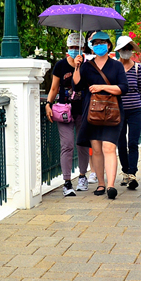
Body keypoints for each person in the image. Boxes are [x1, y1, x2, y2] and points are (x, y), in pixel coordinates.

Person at [73, 31, 129, 200]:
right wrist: (77, 67)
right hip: (93, 112)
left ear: (109, 45)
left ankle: (111, 185)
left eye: (102, 42)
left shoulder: (116, 65)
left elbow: (123, 88)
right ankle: (101, 183)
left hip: (113, 112)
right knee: (96, 149)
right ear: (91, 46)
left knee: (109, 148)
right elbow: (77, 87)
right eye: (95, 43)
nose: (99, 45)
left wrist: (102, 87)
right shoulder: (86, 66)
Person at [45, 33, 91, 196]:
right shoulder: (60, 65)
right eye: (71, 47)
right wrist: (48, 104)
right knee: (67, 145)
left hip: (82, 109)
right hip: (64, 110)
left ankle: (83, 176)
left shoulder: (88, 65)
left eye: (77, 48)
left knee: (82, 144)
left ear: (83, 49)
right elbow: (54, 88)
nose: (74, 50)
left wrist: (79, 67)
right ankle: (67, 182)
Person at [114, 35, 141, 190]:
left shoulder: (137, 68)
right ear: (119, 50)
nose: (126, 51)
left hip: (135, 110)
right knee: (121, 143)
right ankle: (125, 171)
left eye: (129, 48)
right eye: (124, 48)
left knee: (133, 142)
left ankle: (132, 173)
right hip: (118, 110)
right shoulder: (114, 67)